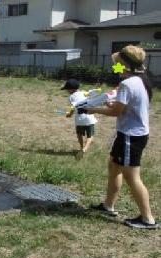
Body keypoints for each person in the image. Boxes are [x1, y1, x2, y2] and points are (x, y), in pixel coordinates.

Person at [86, 45, 157, 229]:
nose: (115, 66)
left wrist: (91, 109)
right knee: (114, 166)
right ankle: (108, 206)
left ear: (124, 64)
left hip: (131, 137)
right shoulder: (140, 79)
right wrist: (113, 101)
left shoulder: (128, 83)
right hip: (130, 134)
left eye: (117, 63)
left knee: (131, 176)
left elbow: (116, 112)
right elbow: (124, 105)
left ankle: (148, 219)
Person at [62, 79, 97, 156]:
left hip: (79, 120)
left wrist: (69, 114)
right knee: (90, 136)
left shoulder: (71, 97)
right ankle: (85, 149)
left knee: (79, 134)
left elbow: (73, 108)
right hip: (89, 118)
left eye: (67, 89)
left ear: (71, 89)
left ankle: (81, 148)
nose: (67, 91)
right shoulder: (84, 92)